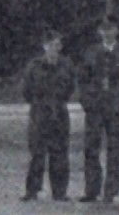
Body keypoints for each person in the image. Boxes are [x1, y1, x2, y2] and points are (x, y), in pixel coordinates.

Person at [77, 17, 119, 204]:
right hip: (95, 108)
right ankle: (92, 189)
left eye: (110, 29)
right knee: (91, 149)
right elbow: (83, 80)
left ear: (117, 30)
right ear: (99, 32)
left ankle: (111, 190)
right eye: (103, 29)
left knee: (116, 150)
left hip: (117, 108)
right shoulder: (91, 52)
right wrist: (87, 102)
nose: (107, 33)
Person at [20, 28, 76, 202]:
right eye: (52, 45)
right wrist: (40, 104)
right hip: (40, 113)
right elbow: (26, 90)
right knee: (37, 153)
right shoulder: (34, 66)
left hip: (59, 112)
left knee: (60, 153)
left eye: (58, 45)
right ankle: (32, 191)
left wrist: (58, 101)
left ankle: (59, 192)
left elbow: (70, 87)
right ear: (44, 46)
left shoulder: (66, 65)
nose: (55, 48)